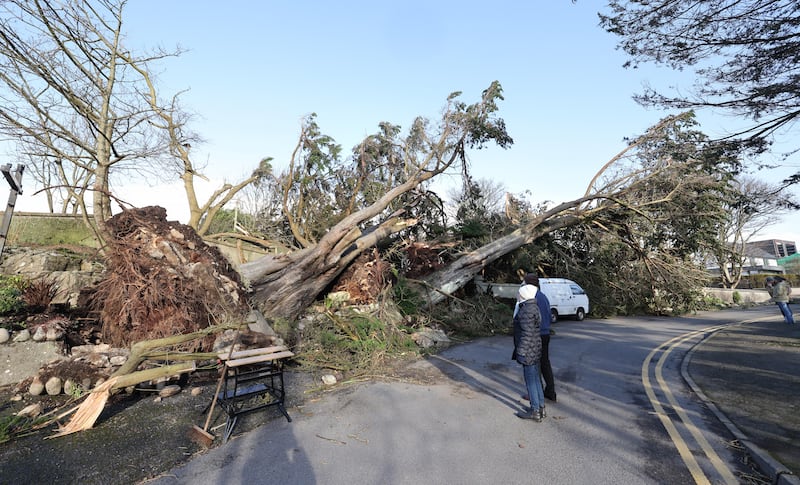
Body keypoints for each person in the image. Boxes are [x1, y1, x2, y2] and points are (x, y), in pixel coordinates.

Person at [512, 284, 545, 421]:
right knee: (536, 379)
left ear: (524, 295)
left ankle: (535, 410)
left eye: (519, 293)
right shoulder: (533, 307)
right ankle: (541, 407)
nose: (517, 295)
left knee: (530, 381)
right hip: (535, 349)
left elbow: (526, 334)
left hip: (529, 351)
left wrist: (521, 352)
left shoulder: (525, 310)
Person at [524, 273, 557, 402]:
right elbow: (549, 316)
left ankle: (536, 394)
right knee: (545, 364)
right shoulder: (544, 297)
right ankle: (550, 391)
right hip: (546, 334)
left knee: (534, 364)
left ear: (528, 284)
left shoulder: (530, 297)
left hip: (535, 335)